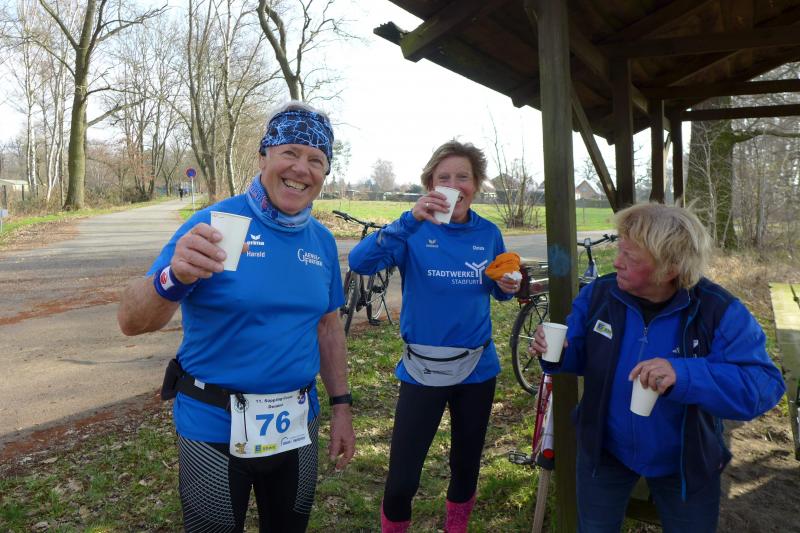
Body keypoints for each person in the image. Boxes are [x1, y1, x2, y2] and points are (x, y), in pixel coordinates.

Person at [117, 100, 355, 533]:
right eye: (290, 152)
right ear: (263, 157)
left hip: (296, 426)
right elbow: (130, 321)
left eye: (315, 160)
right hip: (213, 426)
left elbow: (328, 327)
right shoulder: (216, 225)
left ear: (325, 173)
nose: (301, 168)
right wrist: (173, 278)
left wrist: (342, 407)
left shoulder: (321, 241)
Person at [528, 202, 785, 533]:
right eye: (619, 250)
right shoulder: (599, 295)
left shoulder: (717, 310)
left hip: (686, 462)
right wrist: (557, 352)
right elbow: (577, 350)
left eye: (631, 257)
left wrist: (684, 375)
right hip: (605, 451)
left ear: (670, 268)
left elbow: (762, 385)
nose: (616, 262)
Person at [348, 140, 520, 533]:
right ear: (430, 185)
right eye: (445, 178)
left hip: (477, 368)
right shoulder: (412, 230)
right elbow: (360, 262)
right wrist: (409, 220)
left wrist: (506, 286)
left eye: (464, 177)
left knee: (465, 465)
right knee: (402, 477)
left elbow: (497, 288)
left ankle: (455, 528)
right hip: (421, 368)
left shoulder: (488, 233)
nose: (454, 185)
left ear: (476, 185)